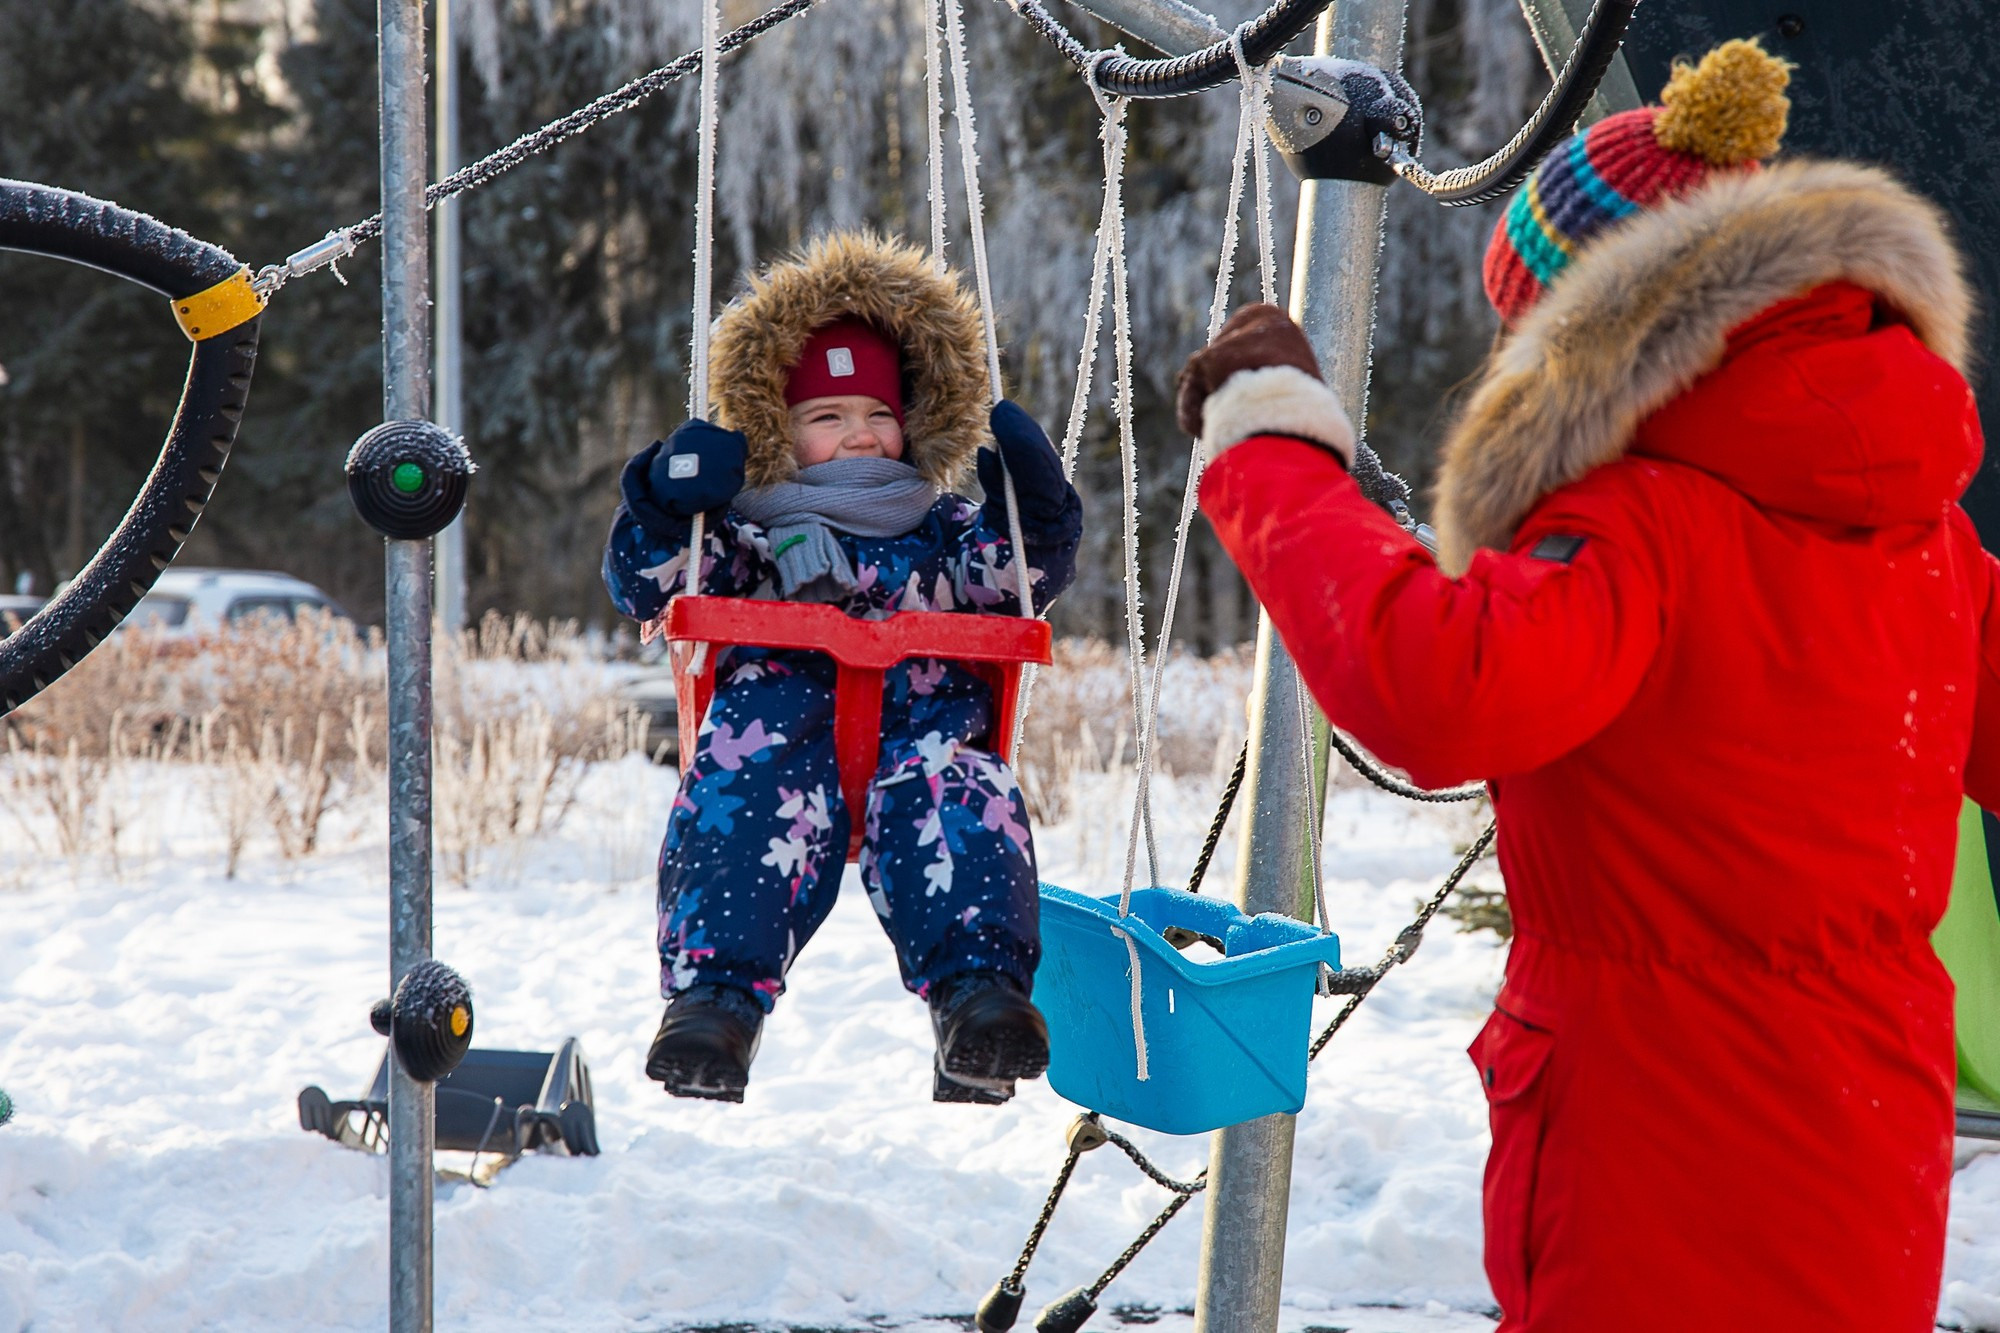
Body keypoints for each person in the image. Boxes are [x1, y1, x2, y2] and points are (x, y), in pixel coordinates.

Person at [1174, 39, 2000, 1331]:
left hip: (1656, 1129)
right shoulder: (1926, 530)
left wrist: (1273, 453)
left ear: (1599, 335)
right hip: (1869, 1114)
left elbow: (1438, 693)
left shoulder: (1644, 523)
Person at [604, 233, 1082, 1105]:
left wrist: (1035, 514)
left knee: (966, 801)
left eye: (876, 412)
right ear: (780, 432)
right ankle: (714, 1007)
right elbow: (653, 586)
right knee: (736, 804)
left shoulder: (943, 528)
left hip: (924, 744)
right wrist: (667, 506)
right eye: (827, 417)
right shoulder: (742, 531)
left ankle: (978, 1004)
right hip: (778, 746)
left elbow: (1014, 581)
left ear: (911, 421)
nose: (859, 433)